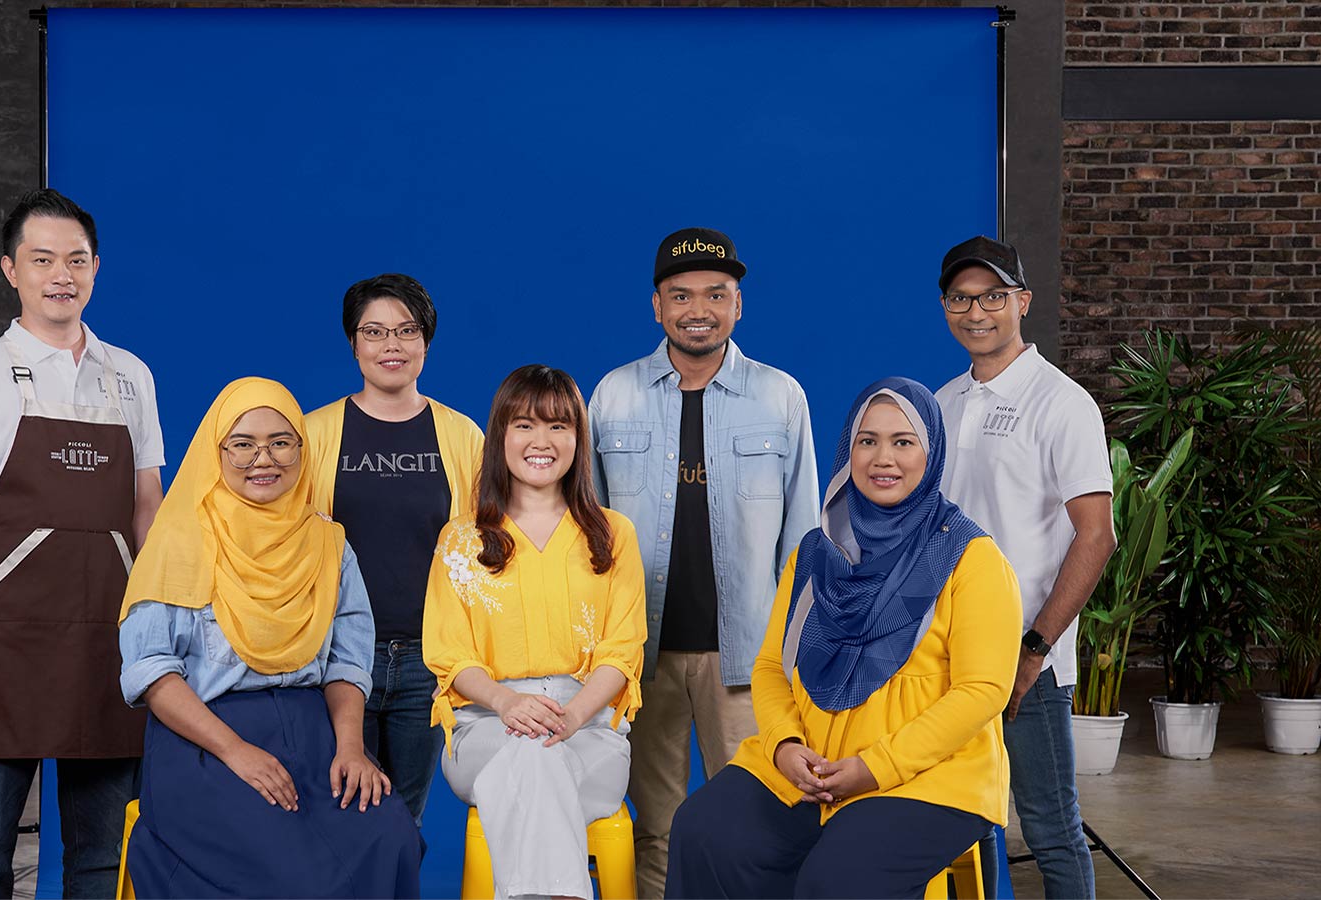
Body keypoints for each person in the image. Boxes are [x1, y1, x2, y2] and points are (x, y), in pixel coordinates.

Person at [665, 378, 1022, 899]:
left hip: (927, 777)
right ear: (848, 450)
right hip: (812, 765)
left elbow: (983, 690)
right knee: (702, 831)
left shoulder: (970, 557)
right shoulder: (816, 553)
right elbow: (771, 668)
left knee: (836, 881)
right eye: (867, 440)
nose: (884, 458)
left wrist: (874, 768)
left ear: (932, 452)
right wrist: (785, 746)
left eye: (904, 441)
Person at [0, 188, 165, 898]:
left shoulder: (132, 375)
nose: (61, 274)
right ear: (11, 270)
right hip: (4, 644)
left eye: (76, 259)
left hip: (109, 641)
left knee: (101, 855)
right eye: (42, 259)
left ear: (95, 268)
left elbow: (149, 509)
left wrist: (156, 631)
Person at [117, 377, 420, 898]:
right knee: (285, 866)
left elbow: (348, 662)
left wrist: (351, 748)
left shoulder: (328, 544)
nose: (264, 459)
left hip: (315, 735)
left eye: (281, 441)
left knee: (389, 831)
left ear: (302, 449)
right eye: (243, 443)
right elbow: (150, 672)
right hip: (204, 740)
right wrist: (236, 751)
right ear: (217, 452)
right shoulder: (179, 541)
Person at [587, 226, 820, 898]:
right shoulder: (613, 396)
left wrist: (795, 658)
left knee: (759, 823)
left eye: (716, 294)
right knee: (655, 828)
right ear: (656, 306)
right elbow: (591, 544)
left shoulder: (781, 397)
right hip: (642, 658)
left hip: (747, 661)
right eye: (681, 294)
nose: (699, 308)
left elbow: (804, 545)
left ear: (738, 305)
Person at [934, 236, 1117, 900]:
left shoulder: (1060, 402)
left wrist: (1034, 648)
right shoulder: (942, 402)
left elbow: (1095, 537)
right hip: (949, 656)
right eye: (960, 297)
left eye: (992, 297)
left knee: (1049, 826)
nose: (976, 312)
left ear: (1022, 302)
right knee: (966, 819)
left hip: (1023, 663)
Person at [425, 364, 647, 900]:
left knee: (539, 757)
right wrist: (506, 704)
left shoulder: (614, 535)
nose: (541, 442)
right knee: (530, 754)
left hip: (590, 729)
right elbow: (451, 654)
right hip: (484, 727)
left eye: (558, 426)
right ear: (500, 434)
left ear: (578, 438)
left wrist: (570, 715)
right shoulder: (461, 540)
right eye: (524, 425)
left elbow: (622, 651)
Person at [305, 273, 484, 826]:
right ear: (353, 344)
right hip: (336, 659)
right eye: (374, 332)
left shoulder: (462, 436)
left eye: (406, 331)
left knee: (404, 826)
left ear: (425, 343)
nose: (391, 346)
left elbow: (484, 556)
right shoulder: (313, 435)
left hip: (426, 663)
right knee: (335, 821)